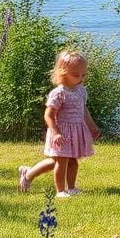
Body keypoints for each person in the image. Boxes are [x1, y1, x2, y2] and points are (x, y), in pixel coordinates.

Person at [19, 50, 100, 197]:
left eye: (83, 75)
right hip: (61, 132)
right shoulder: (59, 93)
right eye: (76, 75)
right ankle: (60, 191)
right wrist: (56, 133)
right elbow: (48, 115)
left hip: (76, 131)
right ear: (63, 73)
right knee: (61, 162)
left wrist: (92, 126)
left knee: (73, 161)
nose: (81, 78)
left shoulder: (81, 90)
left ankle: (71, 188)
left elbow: (84, 110)